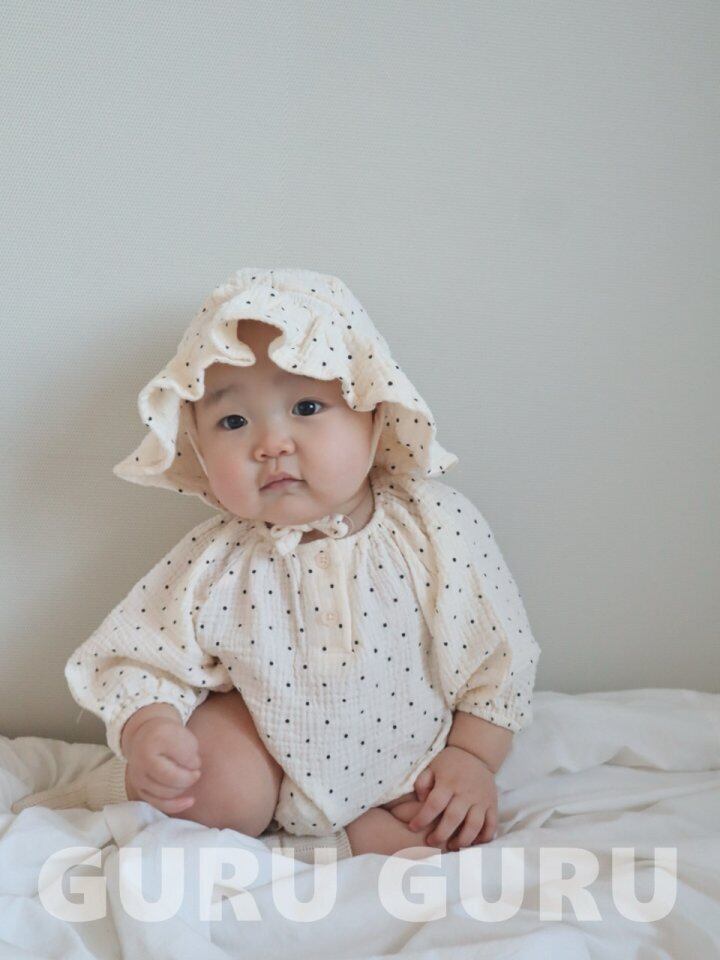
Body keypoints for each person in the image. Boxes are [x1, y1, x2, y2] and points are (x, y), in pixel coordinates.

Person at [13, 267, 541, 863]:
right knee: (209, 781)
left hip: (406, 764)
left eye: (307, 406)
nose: (271, 444)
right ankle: (124, 789)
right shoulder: (217, 559)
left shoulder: (433, 524)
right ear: (197, 447)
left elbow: (500, 652)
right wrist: (149, 729)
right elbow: (143, 651)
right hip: (268, 753)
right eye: (233, 422)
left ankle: (340, 839)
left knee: (447, 830)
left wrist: (472, 758)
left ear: (374, 415)